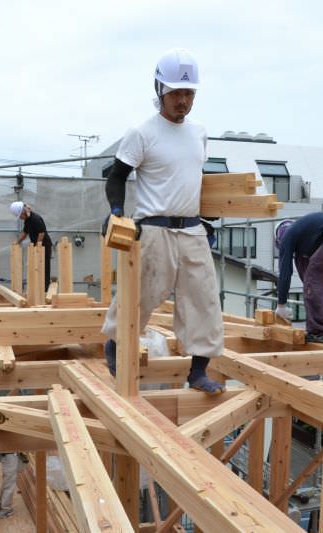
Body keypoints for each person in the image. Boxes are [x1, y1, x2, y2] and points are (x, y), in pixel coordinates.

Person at [101, 48, 224, 395]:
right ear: (159, 89)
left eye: (188, 93)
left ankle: (198, 371)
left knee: (203, 299)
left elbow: (193, 177)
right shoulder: (143, 133)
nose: (182, 101)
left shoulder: (199, 132)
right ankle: (115, 343)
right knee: (142, 293)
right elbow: (116, 176)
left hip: (192, 229)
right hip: (153, 228)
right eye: (175, 93)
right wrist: (116, 212)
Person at [274, 211, 323, 343]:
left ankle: (321, 332)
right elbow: (310, 269)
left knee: (313, 281)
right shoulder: (306, 233)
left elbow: (285, 273)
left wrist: (281, 304)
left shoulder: (287, 237)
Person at [9, 201, 53, 290]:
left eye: (20, 216)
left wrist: (37, 247)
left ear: (23, 212)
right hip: (36, 246)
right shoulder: (27, 221)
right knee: (36, 267)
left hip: (44, 246)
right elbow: (25, 232)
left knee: (44, 267)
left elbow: (41, 233)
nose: (20, 218)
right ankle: (38, 287)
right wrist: (17, 242)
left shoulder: (36, 218)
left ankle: (45, 288)